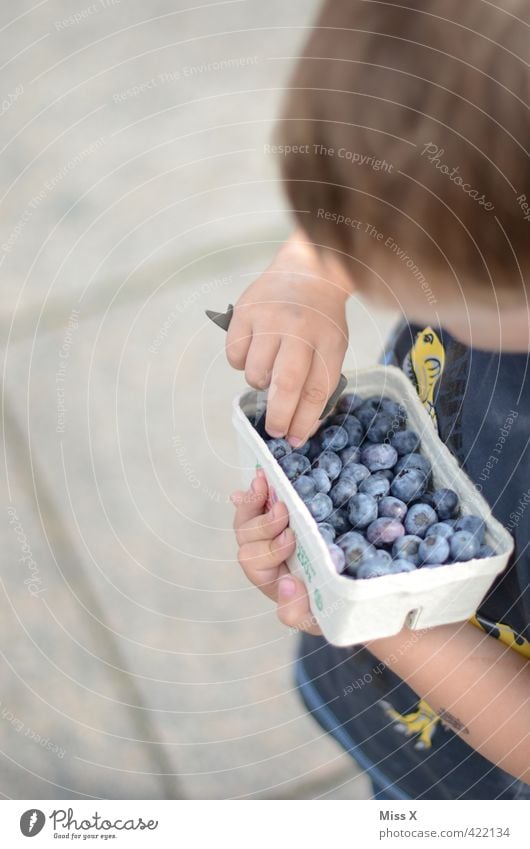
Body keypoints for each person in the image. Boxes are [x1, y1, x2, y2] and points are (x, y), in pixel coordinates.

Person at [228, 0, 530, 798]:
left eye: (430, 289)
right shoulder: (500, 254)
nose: (397, 299)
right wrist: (314, 265)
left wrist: (370, 608)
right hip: (391, 709)